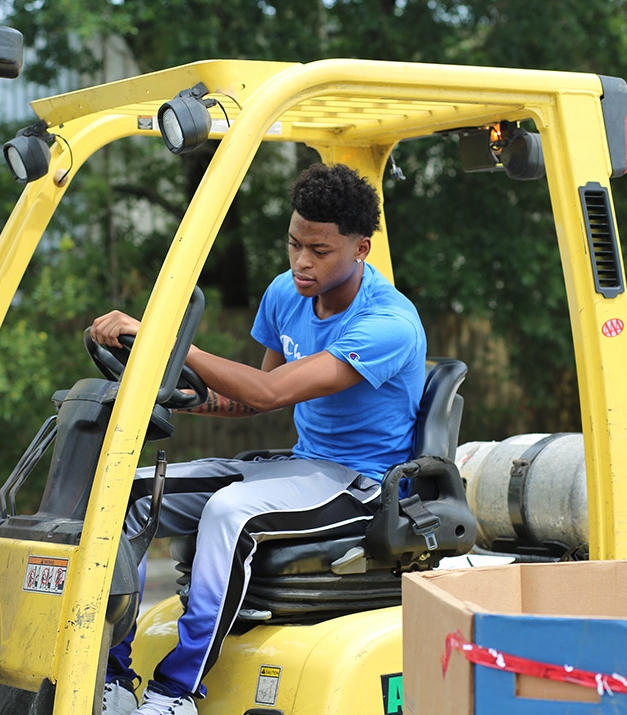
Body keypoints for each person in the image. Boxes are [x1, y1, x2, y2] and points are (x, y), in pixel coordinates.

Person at [92, 163, 427, 715]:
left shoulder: (389, 321)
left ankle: (175, 693)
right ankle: (110, 675)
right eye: (295, 243)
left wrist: (165, 339)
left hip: (363, 487)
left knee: (230, 512)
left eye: (320, 250)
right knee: (130, 494)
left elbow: (271, 391)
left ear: (361, 248)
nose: (302, 262)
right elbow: (249, 397)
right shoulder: (285, 293)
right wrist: (175, 388)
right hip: (299, 467)